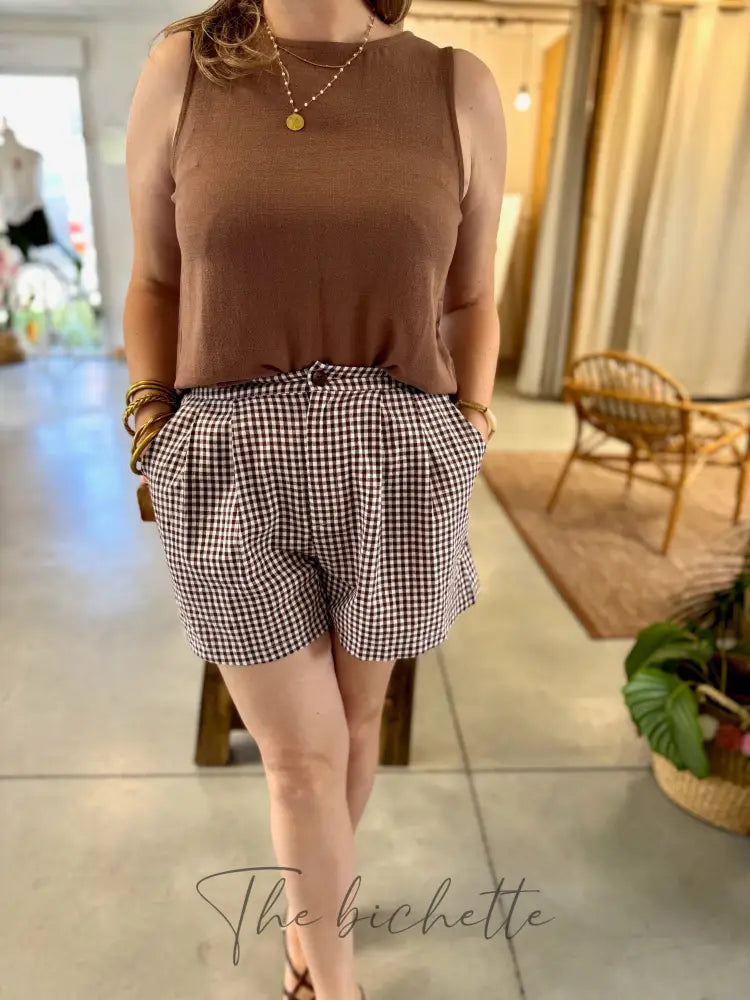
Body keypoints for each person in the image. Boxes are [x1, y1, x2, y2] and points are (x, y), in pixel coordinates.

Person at [122, 1, 506, 998]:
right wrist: (152, 426)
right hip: (230, 453)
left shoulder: (455, 85)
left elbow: (472, 296)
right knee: (300, 756)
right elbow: (156, 278)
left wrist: (471, 425)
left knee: (357, 724)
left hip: (399, 457)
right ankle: (332, 982)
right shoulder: (185, 68)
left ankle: (310, 934)